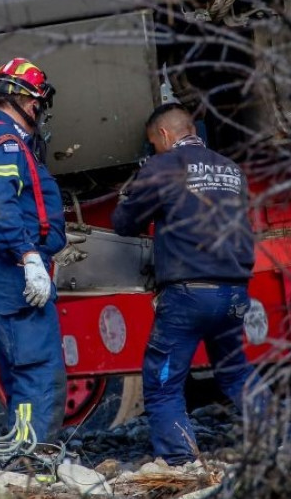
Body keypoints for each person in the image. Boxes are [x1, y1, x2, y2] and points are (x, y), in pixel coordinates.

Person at [112, 102, 259, 466]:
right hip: (235, 293)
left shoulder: (164, 167)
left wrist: (132, 193)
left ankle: (181, 462)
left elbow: (125, 223)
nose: (154, 150)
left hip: (189, 295)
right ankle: (281, 441)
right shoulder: (231, 169)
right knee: (236, 372)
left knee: (163, 385)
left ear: (163, 135)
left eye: (153, 143)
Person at [0, 58, 68, 442]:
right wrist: (29, 257)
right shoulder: (4, 141)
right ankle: (34, 457)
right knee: (38, 371)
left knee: (20, 373)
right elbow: (0, 206)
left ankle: (23, 451)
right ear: (20, 98)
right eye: (37, 101)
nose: (39, 110)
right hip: (10, 272)